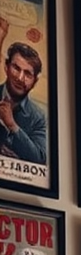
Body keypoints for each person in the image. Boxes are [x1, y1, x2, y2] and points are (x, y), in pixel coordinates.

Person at [0, 22, 46, 165]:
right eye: (16, 68)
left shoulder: (38, 117)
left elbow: (39, 158)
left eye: (27, 74)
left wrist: (12, 125)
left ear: (35, 81)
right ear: (6, 67)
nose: (20, 78)